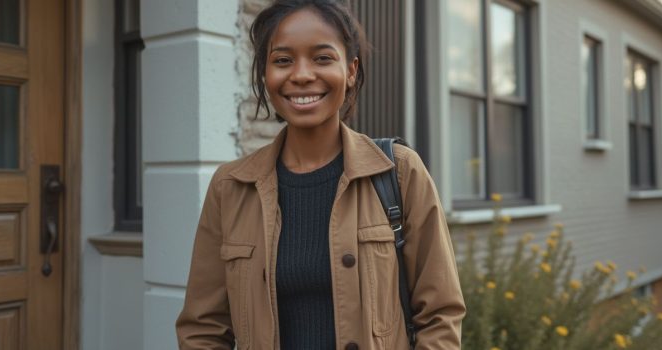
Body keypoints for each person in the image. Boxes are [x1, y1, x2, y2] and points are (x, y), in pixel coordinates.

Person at [175, 0, 465, 349]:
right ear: (265, 74)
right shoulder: (231, 188)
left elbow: (440, 315)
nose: (301, 74)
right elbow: (203, 329)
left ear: (351, 70)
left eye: (322, 58)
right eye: (282, 60)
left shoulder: (399, 173)